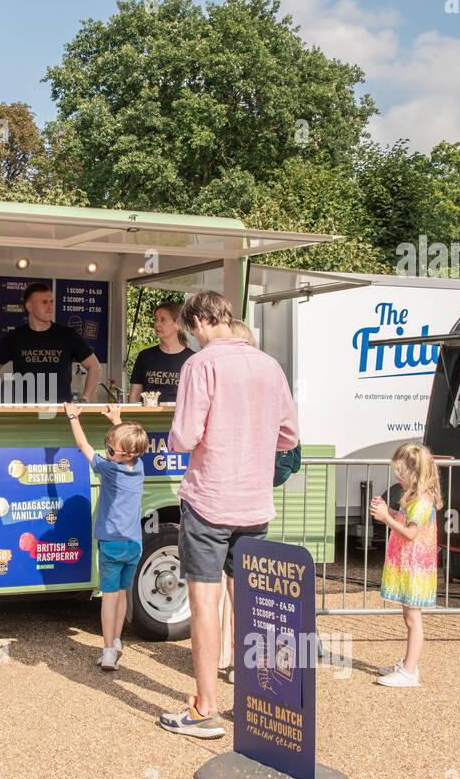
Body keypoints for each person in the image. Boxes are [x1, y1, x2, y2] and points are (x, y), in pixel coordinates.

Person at [158, 290, 299, 738]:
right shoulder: (268, 364)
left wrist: (177, 440)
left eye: (189, 328)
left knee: (204, 604)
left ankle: (205, 710)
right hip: (255, 502)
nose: (191, 337)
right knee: (254, 604)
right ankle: (261, 702)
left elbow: (183, 436)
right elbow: (289, 435)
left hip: (209, 500)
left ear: (198, 321)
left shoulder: (199, 365)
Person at [65, 402, 148, 670]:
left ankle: (108, 649)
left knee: (109, 597)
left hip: (111, 544)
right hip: (134, 544)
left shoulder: (110, 469)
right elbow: (126, 445)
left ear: (124, 454)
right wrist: (117, 420)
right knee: (123, 594)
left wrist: (73, 417)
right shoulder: (139, 467)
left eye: (111, 450)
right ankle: (118, 639)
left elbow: (83, 446)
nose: (108, 452)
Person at [370, 442, 441, 688]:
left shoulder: (422, 501)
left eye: (402, 474)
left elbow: (410, 533)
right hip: (409, 566)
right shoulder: (413, 498)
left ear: (415, 473)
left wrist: (386, 517)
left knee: (413, 619)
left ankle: (410, 671)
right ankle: (408, 665)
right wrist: (386, 510)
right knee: (409, 617)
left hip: (416, 568)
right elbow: (403, 521)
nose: (398, 478)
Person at [0, 282, 101, 403]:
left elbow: (95, 367)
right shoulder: (15, 337)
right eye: (44, 302)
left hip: (59, 413)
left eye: (51, 301)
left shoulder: (67, 335)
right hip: (24, 413)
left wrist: (85, 399)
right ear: (29, 307)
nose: (50, 306)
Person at [128, 301, 194, 404]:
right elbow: (134, 395)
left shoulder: (191, 359)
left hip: (178, 418)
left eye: (163, 320)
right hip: (147, 417)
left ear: (178, 325)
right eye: (156, 320)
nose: (157, 324)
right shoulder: (145, 356)